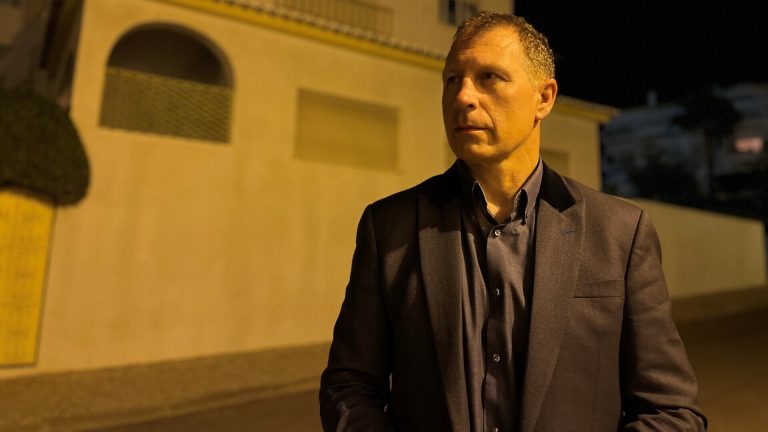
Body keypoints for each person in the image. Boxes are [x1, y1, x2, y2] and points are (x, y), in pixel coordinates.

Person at [320, 11, 706, 432]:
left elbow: (671, 411)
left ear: (544, 98)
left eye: (489, 77)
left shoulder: (619, 232)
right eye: (452, 80)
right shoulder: (389, 228)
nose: (463, 96)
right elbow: (349, 388)